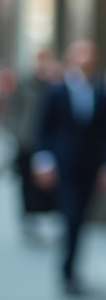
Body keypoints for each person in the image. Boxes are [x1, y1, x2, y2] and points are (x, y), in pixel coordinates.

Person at [32, 39, 106, 295]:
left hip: (91, 165)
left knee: (80, 219)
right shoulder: (56, 91)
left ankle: (72, 265)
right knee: (72, 216)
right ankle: (67, 271)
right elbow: (44, 127)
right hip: (64, 164)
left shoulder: (103, 93)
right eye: (81, 54)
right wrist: (43, 160)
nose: (86, 59)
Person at [5, 49, 60, 238]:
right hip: (27, 140)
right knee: (27, 181)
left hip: (47, 142)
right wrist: (17, 133)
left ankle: (46, 216)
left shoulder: (53, 85)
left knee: (47, 182)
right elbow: (13, 111)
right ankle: (29, 218)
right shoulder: (24, 84)